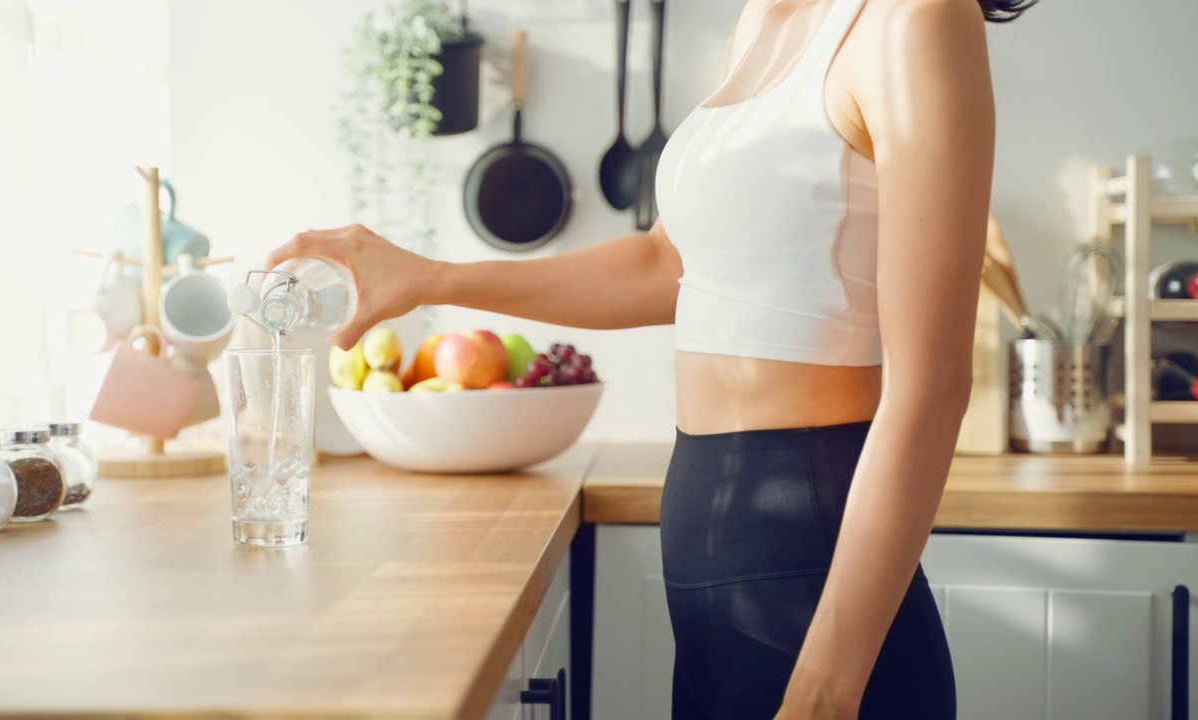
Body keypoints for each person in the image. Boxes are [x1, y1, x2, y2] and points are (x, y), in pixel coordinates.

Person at [269, 0, 1036, 716]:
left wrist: (825, 694)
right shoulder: (765, 16)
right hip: (709, 548)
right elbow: (664, 263)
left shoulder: (918, 16)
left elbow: (931, 389)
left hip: (812, 555)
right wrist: (431, 278)